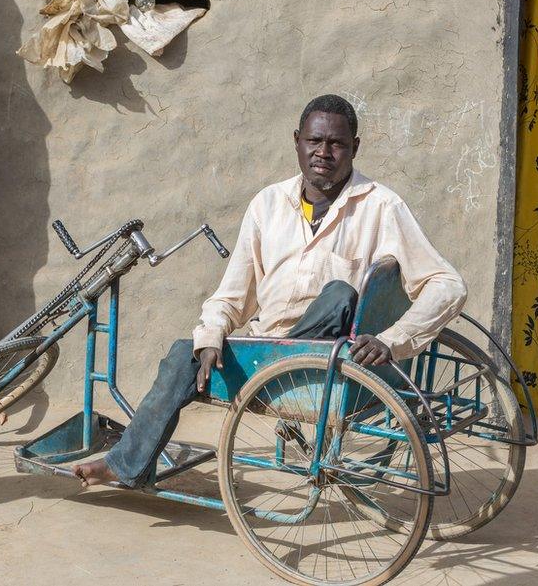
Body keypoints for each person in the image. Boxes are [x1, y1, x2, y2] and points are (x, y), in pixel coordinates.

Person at [72, 94, 467, 488]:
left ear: (355, 148)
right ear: (297, 141)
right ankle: (125, 464)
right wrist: (211, 336)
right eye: (314, 141)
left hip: (330, 361)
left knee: (340, 294)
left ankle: (282, 368)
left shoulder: (382, 206)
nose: (323, 152)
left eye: (336, 144)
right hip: (268, 349)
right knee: (183, 354)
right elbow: (232, 295)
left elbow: (447, 284)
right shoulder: (267, 204)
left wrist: (393, 340)